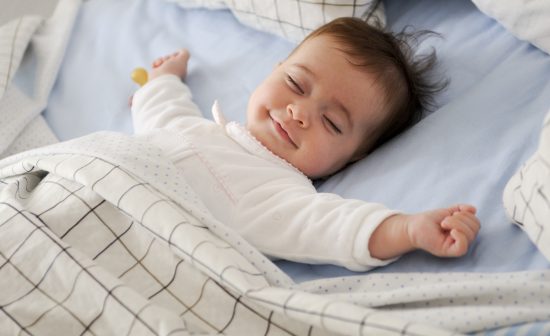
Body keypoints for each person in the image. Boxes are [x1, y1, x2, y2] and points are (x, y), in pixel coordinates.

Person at [131, 17, 480, 271]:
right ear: (276, 68)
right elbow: (163, 110)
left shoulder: (277, 194)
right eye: (296, 83)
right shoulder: (193, 129)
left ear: (355, 156)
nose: (299, 113)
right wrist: (163, 80)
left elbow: (333, 228)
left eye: (331, 122)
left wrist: (408, 229)